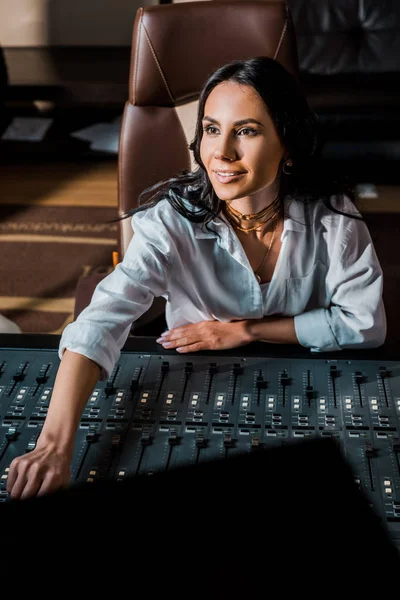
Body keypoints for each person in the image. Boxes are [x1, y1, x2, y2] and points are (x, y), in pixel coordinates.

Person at [6, 56, 386, 500]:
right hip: (198, 371)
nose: (220, 153)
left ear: (289, 142)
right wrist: (53, 446)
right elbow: (101, 319)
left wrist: (244, 331)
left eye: (246, 130)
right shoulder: (171, 221)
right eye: (210, 128)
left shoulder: (333, 217)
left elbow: (365, 323)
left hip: (308, 374)